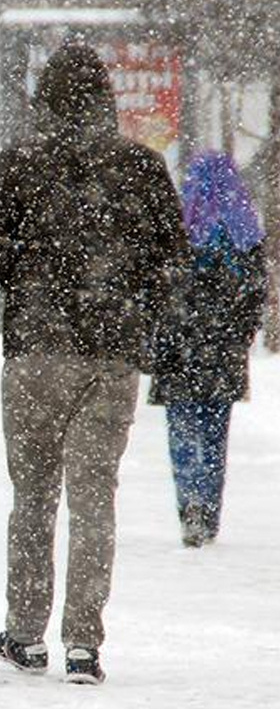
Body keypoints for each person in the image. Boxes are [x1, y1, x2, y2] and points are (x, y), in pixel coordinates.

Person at [0, 44, 190, 685]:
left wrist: (33, 280)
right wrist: (128, 298)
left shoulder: (22, 163)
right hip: (112, 355)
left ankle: (25, 632)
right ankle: (83, 643)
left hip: (37, 350)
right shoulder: (140, 167)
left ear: (45, 99)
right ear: (107, 98)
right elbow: (172, 258)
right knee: (95, 499)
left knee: (34, 496)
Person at [150, 152, 267, 547]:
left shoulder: (181, 223)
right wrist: (241, 334)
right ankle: (209, 510)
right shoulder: (245, 230)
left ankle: (189, 507)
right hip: (223, 350)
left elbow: (159, 286)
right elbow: (255, 293)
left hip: (179, 346)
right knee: (216, 434)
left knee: (182, 430)